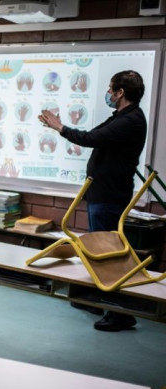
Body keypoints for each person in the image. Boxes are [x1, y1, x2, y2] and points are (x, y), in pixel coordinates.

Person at [38, 70, 146, 332]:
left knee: (109, 254)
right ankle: (98, 299)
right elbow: (91, 134)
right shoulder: (120, 117)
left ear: (121, 93)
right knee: (98, 250)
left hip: (110, 195)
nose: (108, 94)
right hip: (102, 193)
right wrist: (62, 127)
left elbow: (90, 139)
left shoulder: (130, 121)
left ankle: (120, 313)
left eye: (111, 89)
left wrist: (60, 127)